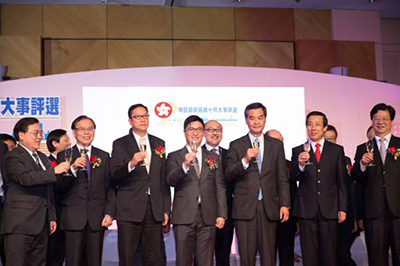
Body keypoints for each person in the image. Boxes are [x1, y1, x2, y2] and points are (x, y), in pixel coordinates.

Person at [226, 103, 290, 266]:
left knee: (269, 256)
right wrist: (245, 160)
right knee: (247, 257)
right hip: (245, 207)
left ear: (265, 119)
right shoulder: (236, 145)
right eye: (252, 118)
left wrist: (284, 204)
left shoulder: (276, 145)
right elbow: (229, 174)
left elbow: (282, 177)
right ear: (246, 120)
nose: (256, 121)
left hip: (269, 206)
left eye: (260, 118)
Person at [2, 117, 69, 266]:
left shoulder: (42, 157)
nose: (40, 137)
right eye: (36, 133)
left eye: (41, 132)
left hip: (41, 223)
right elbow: (24, 178)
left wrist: (51, 216)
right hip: (20, 224)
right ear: (21, 135)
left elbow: (48, 189)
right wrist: (54, 171)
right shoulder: (12, 156)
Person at [109, 104, 171, 266]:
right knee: (129, 256)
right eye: (137, 116)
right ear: (130, 121)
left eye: (145, 116)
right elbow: (113, 175)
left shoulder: (159, 143)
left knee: (155, 256)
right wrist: (131, 163)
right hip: (130, 209)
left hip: (154, 208)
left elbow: (162, 179)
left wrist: (165, 209)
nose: (142, 119)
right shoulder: (120, 144)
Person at [166, 115, 227, 266]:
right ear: (184, 131)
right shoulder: (174, 156)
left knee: (206, 261)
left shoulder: (213, 157)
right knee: (183, 260)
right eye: (191, 129)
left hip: (208, 216)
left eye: (199, 129)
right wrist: (185, 165)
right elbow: (170, 181)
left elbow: (219, 186)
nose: (195, 133)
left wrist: (222, 214)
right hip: (183, 216)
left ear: (204, 132)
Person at [56, 115, 115, 266]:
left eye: (90, 129)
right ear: (74, 133)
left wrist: (109, 213)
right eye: (82, 129)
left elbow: (109, 187)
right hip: (73, 218)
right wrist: (73, 168)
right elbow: (59, 187)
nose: (87, 132)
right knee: (73, 261)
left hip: (97, 219)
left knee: (94, 261)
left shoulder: (103, 156)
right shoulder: (65, 155)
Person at [290, 111, 347, 266]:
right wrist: (300, 164)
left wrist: (342, 208)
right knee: (309, 256)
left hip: (329, 209)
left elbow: (342, 181)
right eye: (309, 124)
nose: (313, 128)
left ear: (324, 127)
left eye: (317, 124)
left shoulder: (336, 150)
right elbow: (292, 177)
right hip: (306, 210)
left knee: (329, 255)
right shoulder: (298, 150)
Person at [352, 103, 400, 266]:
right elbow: (356, 178)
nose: (380, 122)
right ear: (372, 121)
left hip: (398, 210)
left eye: (385, 118)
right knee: (377, 258)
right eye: (377, 118)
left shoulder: (399, 144)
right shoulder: (363, 148)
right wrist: (362, 164)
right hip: (374, 212)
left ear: (391, 121)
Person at [324, 125, 357, 266]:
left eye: (332, 139)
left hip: (342, 214)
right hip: (324, 214)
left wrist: (353, 216)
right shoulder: (315, 159)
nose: (330, 142)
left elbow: (349, 189)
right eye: (326, 139)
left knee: (343, 253)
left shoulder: (345, 160)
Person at [203, 119, 234, 266]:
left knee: (223, 256)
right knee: (202, 256)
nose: (215, 133)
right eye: (211, 129)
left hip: (226, 212)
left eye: (218, 129)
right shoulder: (196, 154)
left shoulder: (230, 155)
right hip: (202, 213)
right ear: (204, 133)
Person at [266, 129, 299, 266]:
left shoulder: (289, 165)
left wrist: (296, 217)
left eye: (281, 141)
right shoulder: (257, 164)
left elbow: (294, 192)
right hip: (266, 216)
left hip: (286, 218)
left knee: (286, 254)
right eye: (275, 140)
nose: (278, 144)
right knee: (268, 255)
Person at [45, 129, 71, 266]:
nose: (69, 143)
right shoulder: (47, 162)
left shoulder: (72, 161)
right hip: (54, 214)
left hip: (69, 215)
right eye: (66, 140)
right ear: (55, 143)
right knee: (53, 253)